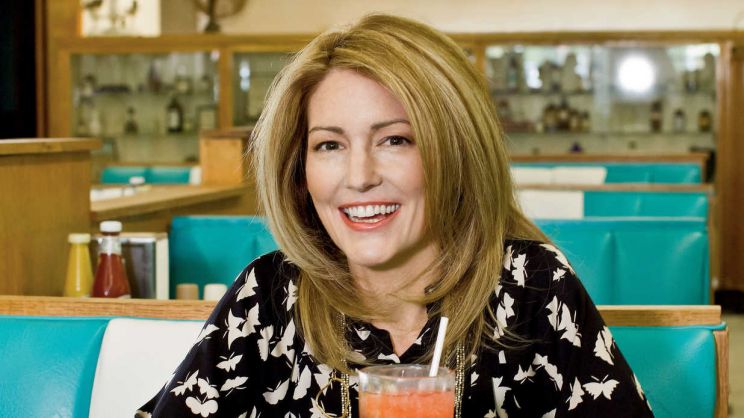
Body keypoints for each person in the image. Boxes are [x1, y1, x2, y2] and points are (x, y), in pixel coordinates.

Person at [137, 14, 653, 418]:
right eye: (330, 145)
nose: (359, 176)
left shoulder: (533, 287)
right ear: (299, 171)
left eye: (395, 140)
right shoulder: (270, 295)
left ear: (456, 153)